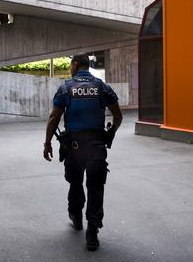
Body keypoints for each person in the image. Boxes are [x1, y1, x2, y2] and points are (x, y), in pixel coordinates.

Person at [43, 54, 122, 251]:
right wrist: (110, 133)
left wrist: (47, 143)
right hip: (97, 147)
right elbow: (118, 115)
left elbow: (54, 117)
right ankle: (92, 233)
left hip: (74, 147)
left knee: (75, 182)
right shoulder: (102, 87)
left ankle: (76, 217)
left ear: (75, 65)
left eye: (70, 65)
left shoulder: (66, 88)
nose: (70, 68)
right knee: (95, 188)